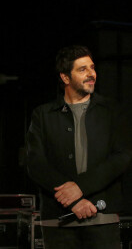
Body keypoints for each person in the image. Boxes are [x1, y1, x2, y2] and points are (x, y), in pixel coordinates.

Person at [25, 45, 132, 248]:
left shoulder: (111, 111)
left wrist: (81, 187)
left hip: (101, 217)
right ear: (65, 78)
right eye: (82, 69)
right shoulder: (43, 114)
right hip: (58, 220)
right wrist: (73, 201)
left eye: (92, 67)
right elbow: (35, 163)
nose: (91, 74)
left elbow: (121, 157)